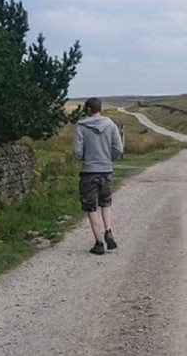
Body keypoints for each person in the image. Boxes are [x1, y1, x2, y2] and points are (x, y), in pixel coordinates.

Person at [72, 97, 124, 255]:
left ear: (88, 109)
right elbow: (118, 148)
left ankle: (99, 242)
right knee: (106, 203)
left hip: (89, 171)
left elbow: (77, 151)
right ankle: (108, 230)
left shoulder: (81, 126)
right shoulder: (111, 125)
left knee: (91, 207)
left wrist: (84, 157)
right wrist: (110, 158)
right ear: (100, 108)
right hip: (106, 170)